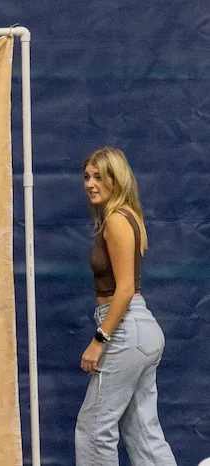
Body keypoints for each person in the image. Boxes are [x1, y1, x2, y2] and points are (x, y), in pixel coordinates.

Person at [75, 147, 176, 465]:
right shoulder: (128, 215)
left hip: (124, 327)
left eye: (99, 177)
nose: (90, 183)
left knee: (93, 429)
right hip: (140, 330)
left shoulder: (117, 220)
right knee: (143, 432)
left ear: (115, 180)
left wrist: (99, 339)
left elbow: (125, 289)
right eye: (87, 176)